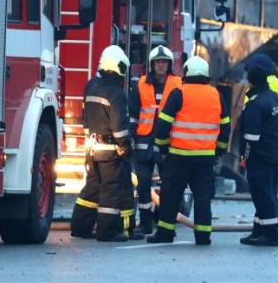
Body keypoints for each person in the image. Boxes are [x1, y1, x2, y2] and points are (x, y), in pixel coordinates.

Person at [146, 56, 229, 245]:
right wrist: (219, 152)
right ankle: (203, 236)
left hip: (178, 156)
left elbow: (163, 124)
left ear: (186, 72)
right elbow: (225, 127)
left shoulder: (178, 93)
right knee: (202, 197)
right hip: (205, 158)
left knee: (170, 195)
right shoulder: (216, 94)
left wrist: (164, 148)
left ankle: (165, 233)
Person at [70, 45, 141, 242]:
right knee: (111, 190)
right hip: (111, 151)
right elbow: (119, 126)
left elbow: (85, 118)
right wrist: (124, 146)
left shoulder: (91, 86)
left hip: (93, 148)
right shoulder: (116, 94)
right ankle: (107, 231)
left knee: (92, 188)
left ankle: (80, 227)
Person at [128, 45, 182, 236]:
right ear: (152, 64)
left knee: (168, 184)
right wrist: (130, 136)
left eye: (164, 62)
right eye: (157, 62)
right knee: (143, 183)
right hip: (144, 140)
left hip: (168, 141)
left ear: (169, 64)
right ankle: (145, 223)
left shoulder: (178, 84)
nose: (160, 65)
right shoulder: (141, 83)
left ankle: (166, 224)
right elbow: (133, 114)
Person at [238, 54, 278, 247]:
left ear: (251, 81)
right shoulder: (276, 98)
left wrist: (246, 158)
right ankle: (258, 230)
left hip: (260, 159)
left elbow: (251, 138)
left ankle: (271, 235)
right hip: (275, 156)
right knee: (268, 193)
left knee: (262, 195)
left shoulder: (255, 105)